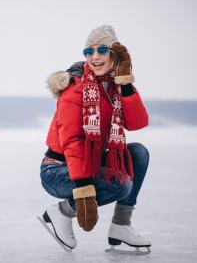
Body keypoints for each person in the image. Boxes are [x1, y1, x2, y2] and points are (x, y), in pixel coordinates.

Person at [39, 25, 151, 252]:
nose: (95, 57)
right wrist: (82, 190)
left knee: (139, 153)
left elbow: (137, 123)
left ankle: (121, 224)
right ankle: (61, 212)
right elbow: (72, 140)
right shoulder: (75, 89)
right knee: (120, 184)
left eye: (102, 50)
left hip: (89, 160)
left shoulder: (115, 86)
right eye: (88, 52)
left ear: (116, 54)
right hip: (58, 169)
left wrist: (126, 84)